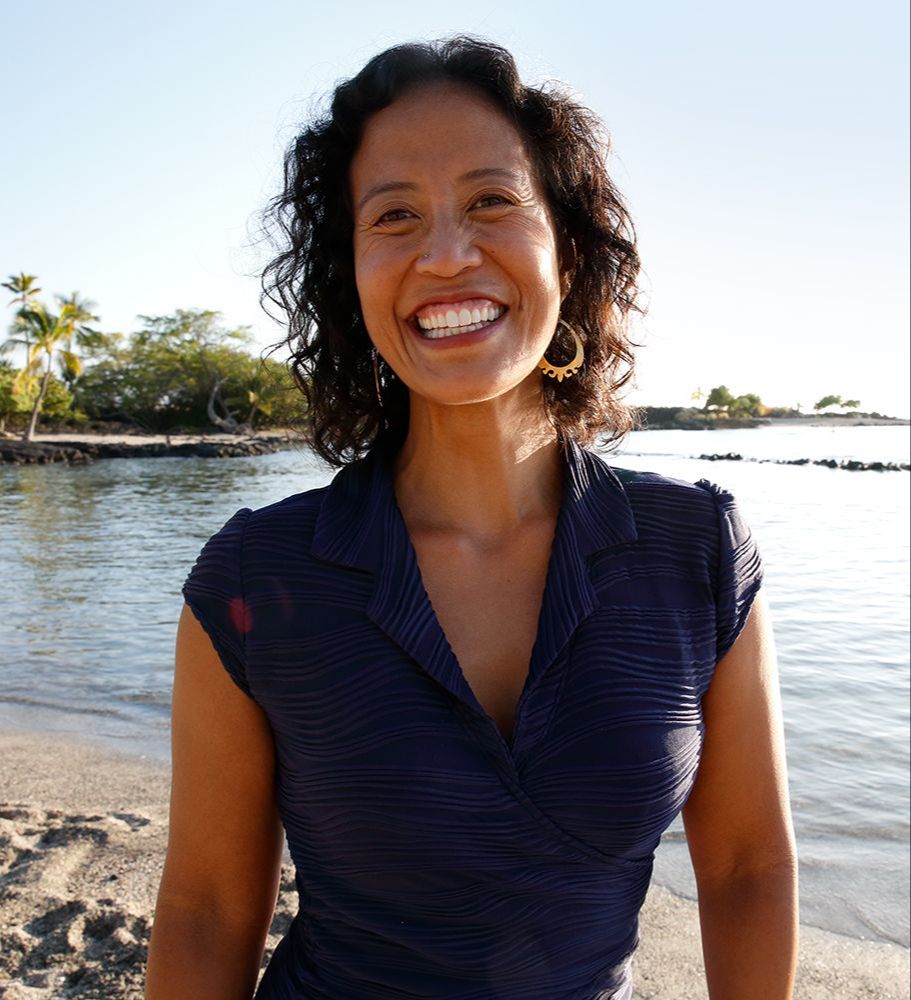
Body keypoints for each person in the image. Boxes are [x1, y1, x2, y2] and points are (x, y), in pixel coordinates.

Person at [146, 36, 798, 1000]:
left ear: (567, 249)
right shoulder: (256, 577)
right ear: (350, 274)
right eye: (394, 215)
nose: (447, 255)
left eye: (492, 201)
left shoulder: (696, 552)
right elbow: (205, 909)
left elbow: (747, 867)